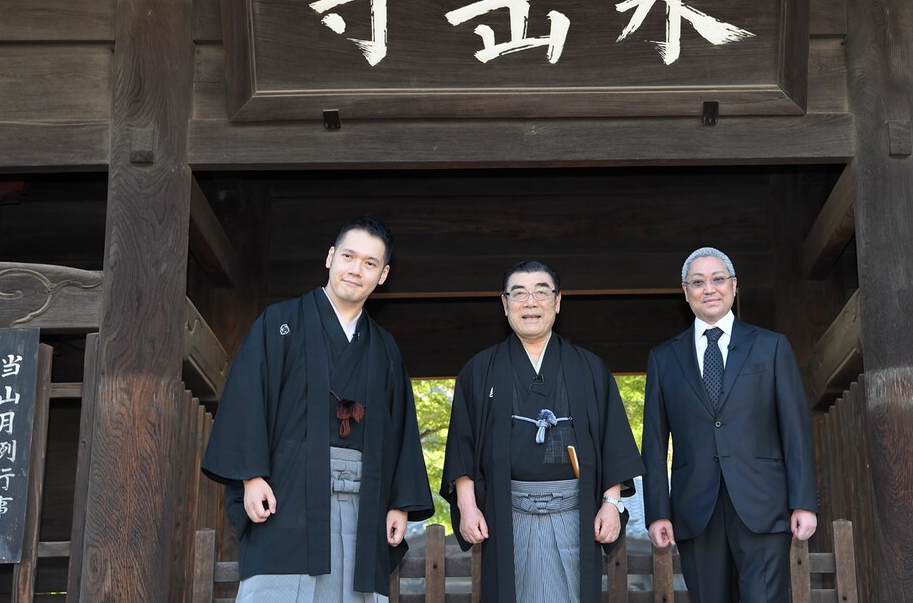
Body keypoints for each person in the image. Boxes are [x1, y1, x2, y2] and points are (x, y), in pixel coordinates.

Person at [202, 216, 433, 602]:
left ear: (383, 275)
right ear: (330, 257)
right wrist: (251, 477)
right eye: (348, 256)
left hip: (364, 501)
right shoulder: (280, 323)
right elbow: (247, 399)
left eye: (370, 263)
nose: (356, 270)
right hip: (287, 494)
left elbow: (401, 430)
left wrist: (399, 504)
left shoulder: (385, 349)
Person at [442, 260, 643, 603]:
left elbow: (612, 439)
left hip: (575, 512)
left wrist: (611, 503)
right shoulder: (479, 370)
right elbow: (463, 443)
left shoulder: (589, 368)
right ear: (505, 303)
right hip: (506, 513)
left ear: (557, 301)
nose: (530, 302)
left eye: (541, 292)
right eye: (519, 293)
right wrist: (467, 506)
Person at [643, 246, 818, 602]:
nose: (709, 289)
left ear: (734, 286)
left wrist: (803, 502)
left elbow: (795, 430)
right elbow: (654, 442)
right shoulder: (663, 358)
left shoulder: (771, 346)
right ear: (685, 292)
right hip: (695, 510)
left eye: (718, 279)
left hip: (764, 505)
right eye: (698, 282)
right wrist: (657, 512)